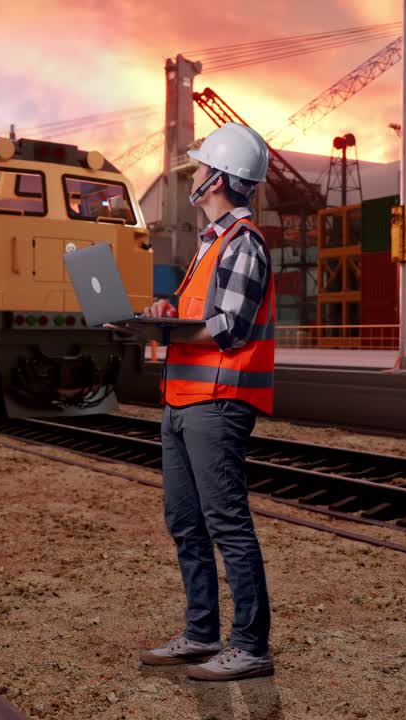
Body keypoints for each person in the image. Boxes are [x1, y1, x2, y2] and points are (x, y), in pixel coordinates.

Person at [127, 122, 277, 681]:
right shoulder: (210, 245)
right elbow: (201, 316)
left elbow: (230, 329)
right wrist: (165, 314)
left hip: (218, 402)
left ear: (217, 179)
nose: (193, 175)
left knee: (227, 524)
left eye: (199, 168)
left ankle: (251, 647)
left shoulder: (242, 244)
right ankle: (200, 634)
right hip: (184, 399)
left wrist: (159, 331)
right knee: (185, 522)